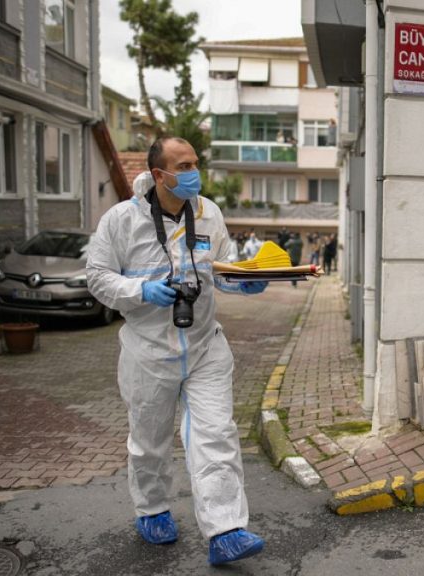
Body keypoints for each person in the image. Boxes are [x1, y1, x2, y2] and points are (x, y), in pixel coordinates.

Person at [86, 137, 267, 566]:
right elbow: (96, 277)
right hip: (148, 352)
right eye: (183, 165)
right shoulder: (121, 220)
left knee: (216, 435)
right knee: (150, 441)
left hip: (205, 346)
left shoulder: (208, 213)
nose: (193, 172)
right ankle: (152, 509)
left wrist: (245, 280)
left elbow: (220, 270)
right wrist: (140, 290)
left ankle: (226, 530)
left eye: (195, 163)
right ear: (159, 173)